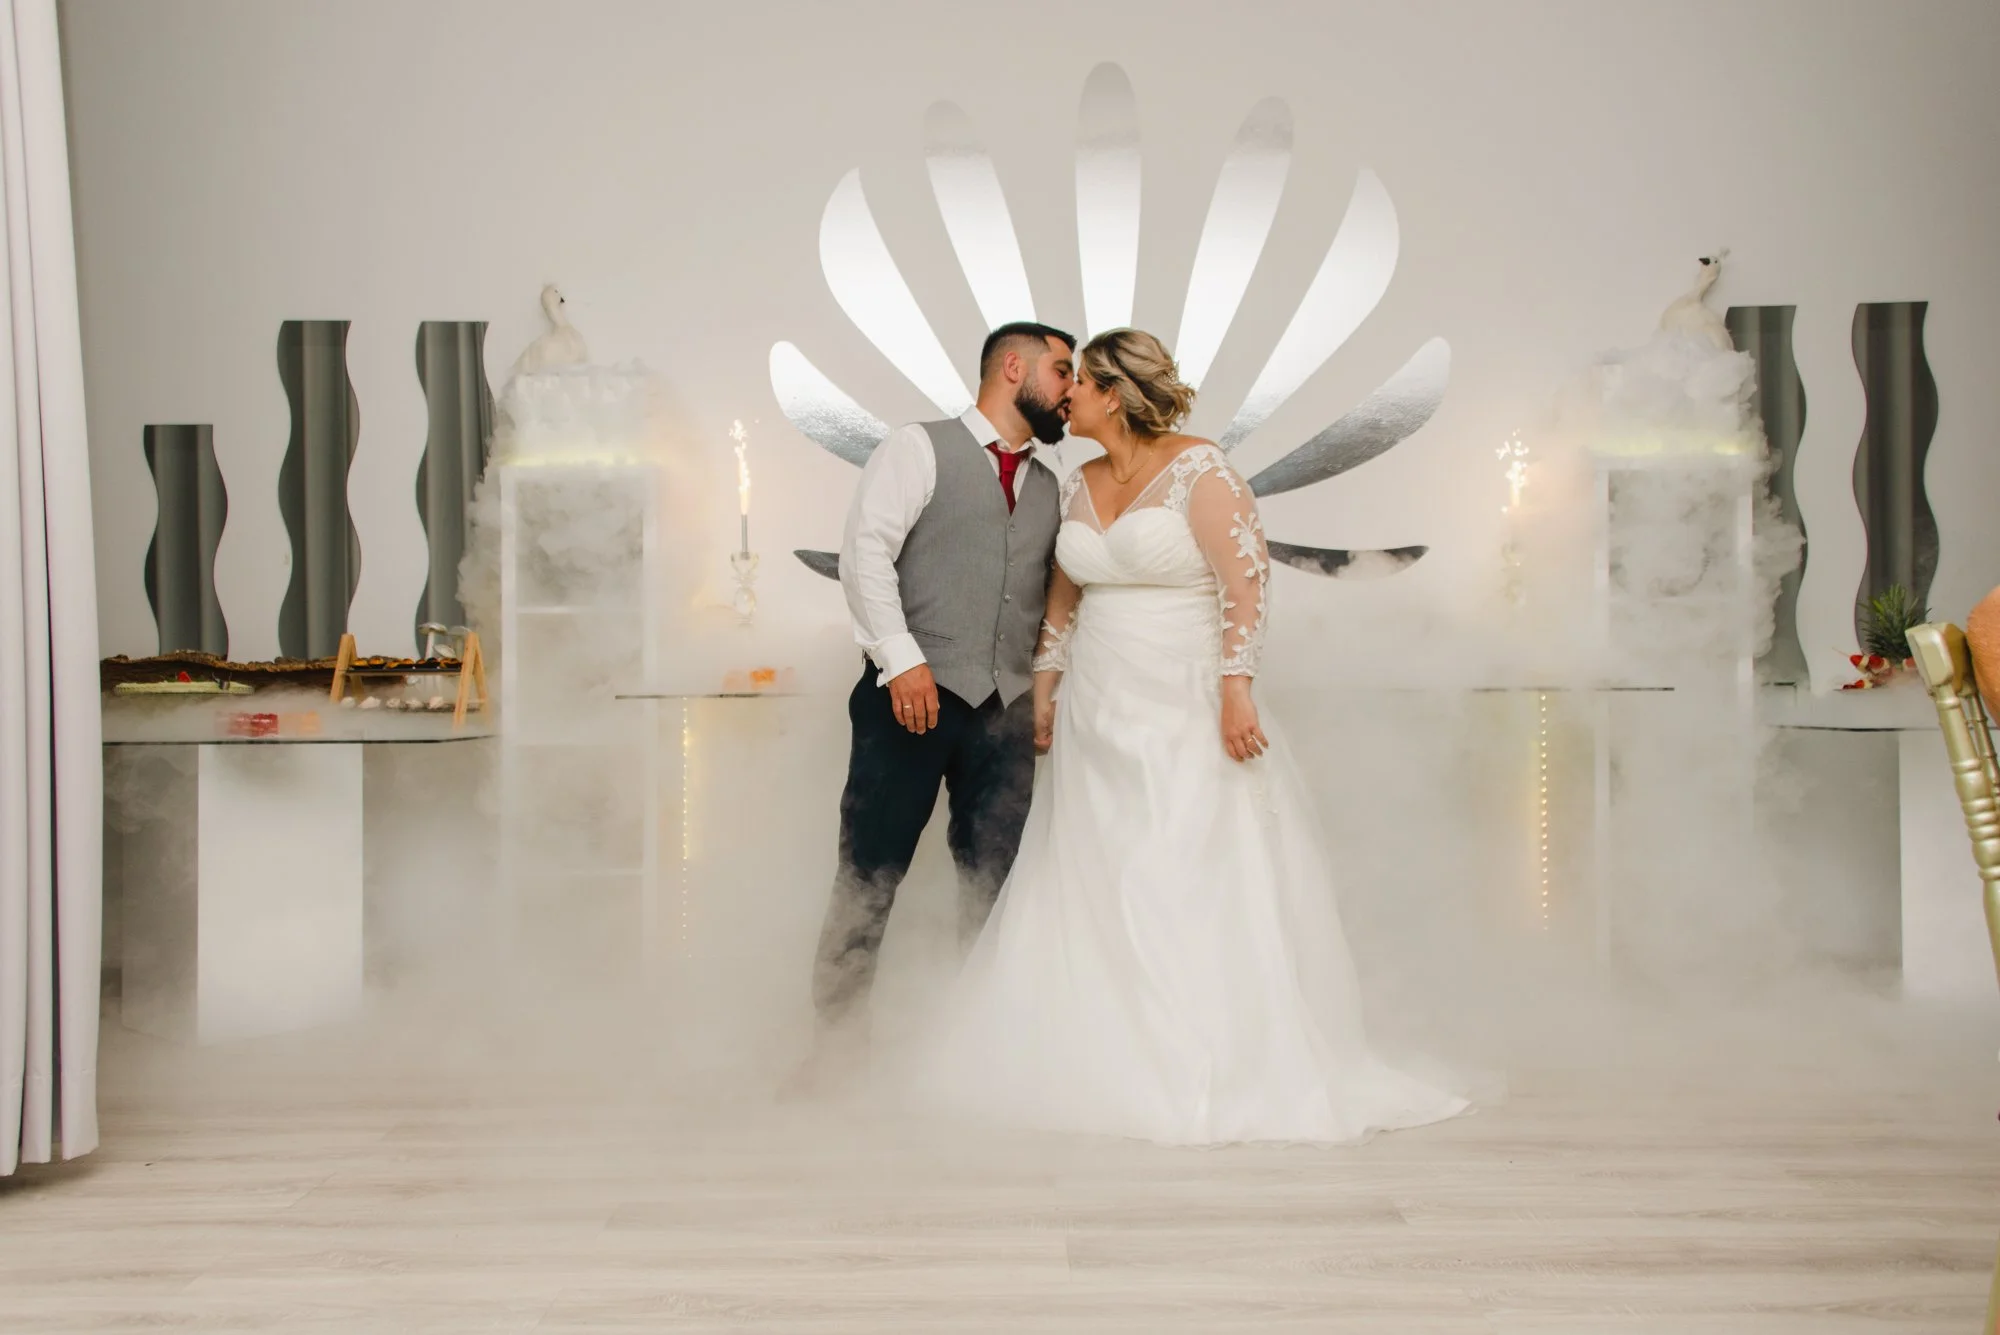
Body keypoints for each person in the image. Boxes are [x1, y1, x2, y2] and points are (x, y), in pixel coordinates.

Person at [922, 328, 1469, 1145]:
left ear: (1113, 394)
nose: (1064, 394)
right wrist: (1047, 681)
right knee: (1093, 867)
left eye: (1078, 381)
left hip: (1181, 698)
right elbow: (1065, 594)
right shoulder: (1077, 481)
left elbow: (1246, 583)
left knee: (1175, 863)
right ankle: (1095, 1059)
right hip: (1097, 705)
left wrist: (1235, 687)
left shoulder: (1201, 471)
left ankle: (1203, 1059)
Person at [794, 321, 1076, 1089]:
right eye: (1061, 370)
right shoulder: (917, 449)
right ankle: (835, 1055)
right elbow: (866, 555)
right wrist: (903, 660)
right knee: (869, 873)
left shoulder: (1053, 483)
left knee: (995, 885)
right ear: (1012, 367)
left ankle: (973, 1056)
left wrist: (1040, 689)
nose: (1071, 389)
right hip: (907, 699)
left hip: (1005, 713)